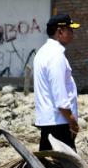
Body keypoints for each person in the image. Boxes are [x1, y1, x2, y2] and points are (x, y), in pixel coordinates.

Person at [33, 13, 81, 152]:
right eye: (70, 30)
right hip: (59, 124)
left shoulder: (43, 52)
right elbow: (60, 95)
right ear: (60, 31)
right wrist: (72, 122)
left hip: (49, 122)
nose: (73, 34)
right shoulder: (55, 56)